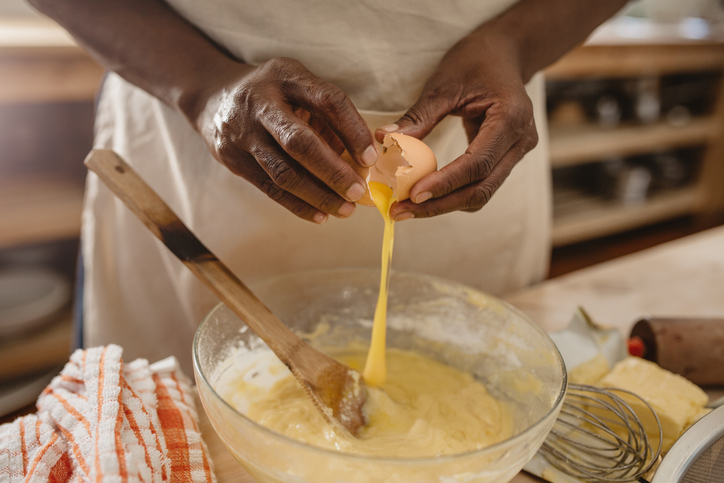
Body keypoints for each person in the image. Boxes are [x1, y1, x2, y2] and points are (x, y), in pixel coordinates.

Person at [30, 0, 628, 374]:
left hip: (472, 139)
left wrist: (514, 43)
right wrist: (202, 84)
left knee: (480, 374)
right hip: (189, 130)